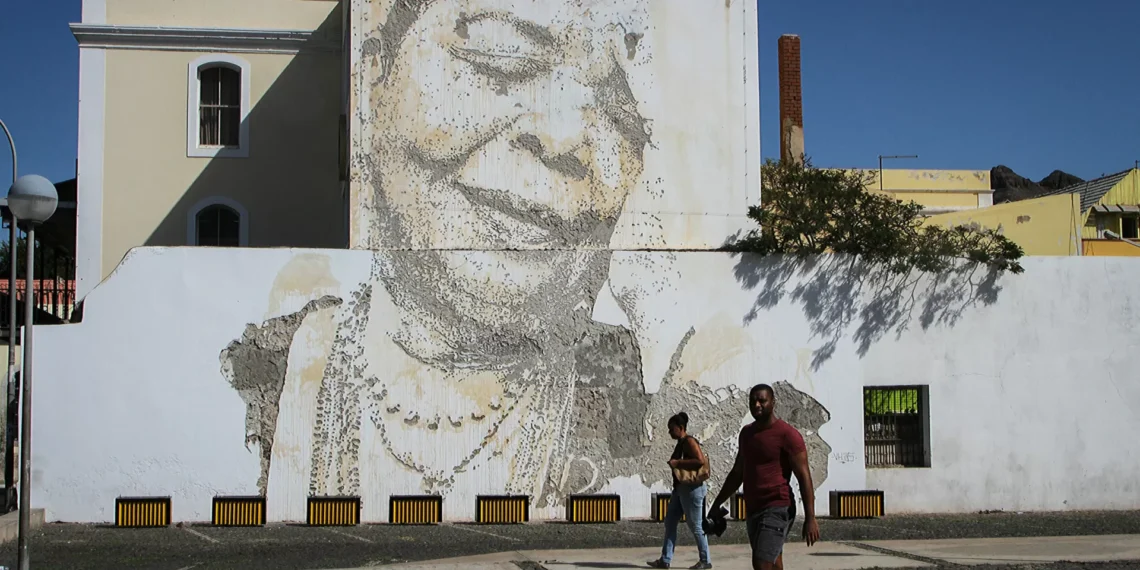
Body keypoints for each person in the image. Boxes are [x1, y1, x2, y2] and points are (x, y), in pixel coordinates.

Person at [709, 384, 820, 570]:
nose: (757, 405)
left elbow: (804, 477)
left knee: (761, 563)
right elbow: (737, 473)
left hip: (777, 507)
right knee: (773, 562)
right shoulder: (746, 434)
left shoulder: (788, 435)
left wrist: (811, 518)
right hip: (754, 509)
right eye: (753, 401)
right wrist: (717, 503)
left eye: (762, 400)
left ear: (773, 402)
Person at [648, 412, 712, 570]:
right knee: (670, 521)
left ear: (681, 428)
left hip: (692, 489)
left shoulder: (689, 441)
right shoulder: (681, 442)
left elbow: (700, 460)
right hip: (680, 489)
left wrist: (677, 463)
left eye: (672, 429)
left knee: (696, 526)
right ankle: (665, 559)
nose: (669, 432)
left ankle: (705, 560)